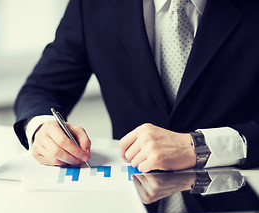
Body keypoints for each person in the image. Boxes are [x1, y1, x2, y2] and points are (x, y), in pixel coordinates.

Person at [14, 0, 259, 172]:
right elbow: (41, 89)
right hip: (129, 196)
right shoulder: (90, 4)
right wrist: (42, 128)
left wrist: (203, 147)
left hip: (244, 189)